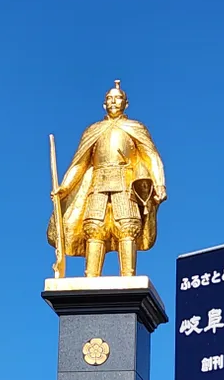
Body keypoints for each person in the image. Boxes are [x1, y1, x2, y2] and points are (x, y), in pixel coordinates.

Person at [48, 81, 167, 277]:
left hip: (125, 183)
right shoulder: (93, 130)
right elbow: (80, 163)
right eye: (109, 99)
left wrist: (159, 183)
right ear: (104, 104)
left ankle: (128, 277)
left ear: (125, 103)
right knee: (94, 229)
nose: (113, 102)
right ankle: (91, 277)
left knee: (127, 228)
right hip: (98, 184)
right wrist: (65, 187)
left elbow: (151, 155)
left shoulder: (135, 127)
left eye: (118, 98)